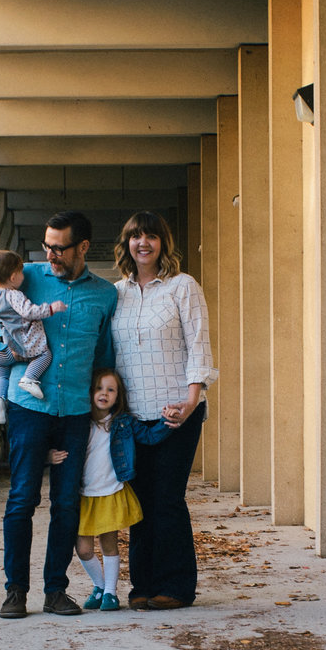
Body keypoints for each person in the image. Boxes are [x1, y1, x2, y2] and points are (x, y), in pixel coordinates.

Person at [0, 211, 120, 618]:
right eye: (46, 245)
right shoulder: (24, 275)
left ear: (82, 247)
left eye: (59, 247)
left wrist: (106, 410)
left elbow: (104, 356)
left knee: (66, 503)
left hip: (74, 412)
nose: (50, 254)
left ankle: (56, 591)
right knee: (22, 499)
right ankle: (15, 591)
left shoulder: (105, 295)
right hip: (28, 405)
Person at [108, 209, 214, 609]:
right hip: (131, 417)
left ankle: (175, 587)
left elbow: (199, 344)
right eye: (136, 236)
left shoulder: (182, 287)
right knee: (138, 503)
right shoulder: (116, 294)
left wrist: (190, 400)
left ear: (162, 243)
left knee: (167, 499)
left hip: (176, 413)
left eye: (151, 236)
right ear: (127, 244)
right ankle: (142, 587)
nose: (143, 243)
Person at [70, 368, 142, 610]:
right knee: (83, 548)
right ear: (90, 392)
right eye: (99, 388)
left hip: (109, 492)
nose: (104, 393)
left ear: (118, 396)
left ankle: (111, 593)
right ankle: (99, 585)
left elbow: (148, 435)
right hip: (84, 496)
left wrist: (169, 423)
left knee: (109, 544)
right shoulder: (81, 423)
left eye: (111, 390)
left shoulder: (120, 423)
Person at [0, 247, 66, 417]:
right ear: (13, 277)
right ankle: (29, 378)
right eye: (20, 273)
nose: (23, 276)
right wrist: (51, 308)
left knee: (2, 376)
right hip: (22, 345)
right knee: (44, 355)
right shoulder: (13, 295)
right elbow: (29, 311)